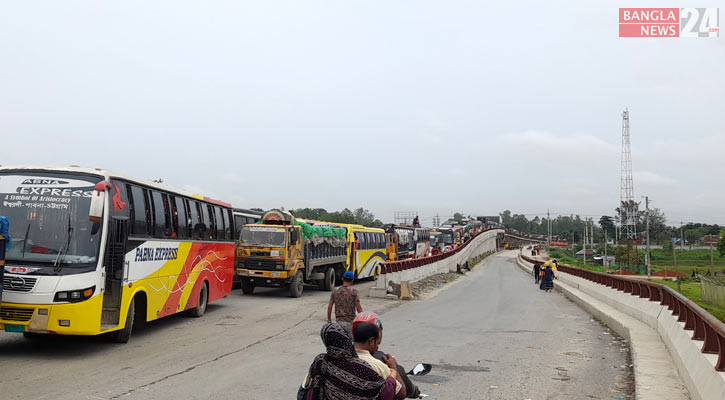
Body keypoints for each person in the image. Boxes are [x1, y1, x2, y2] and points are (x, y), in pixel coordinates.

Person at [299, 323, 397, 400]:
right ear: (347, 340)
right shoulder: (360, 367)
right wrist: (393, 373)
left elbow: (307, 387)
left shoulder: (320, 360)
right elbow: (386, 394)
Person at [353, 312, 421, 399]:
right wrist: (394, 368)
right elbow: (402, 393)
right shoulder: (380, 364)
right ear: (372, 340)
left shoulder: (339, 358)